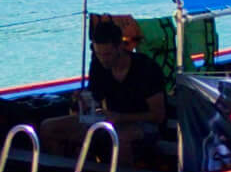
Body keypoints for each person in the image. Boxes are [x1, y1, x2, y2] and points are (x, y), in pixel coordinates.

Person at [46, 17, 168, 161]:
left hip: (144, 124)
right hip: (109, 120)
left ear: (120, 47)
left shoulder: (146, 68)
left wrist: (120, 117)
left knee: (120, 137)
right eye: (99, 54)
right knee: (48, 127)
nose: (103, 59)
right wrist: (82, 100)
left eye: (107, 54)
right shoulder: (99, 64)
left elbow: (158, 115)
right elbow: (95, 97)